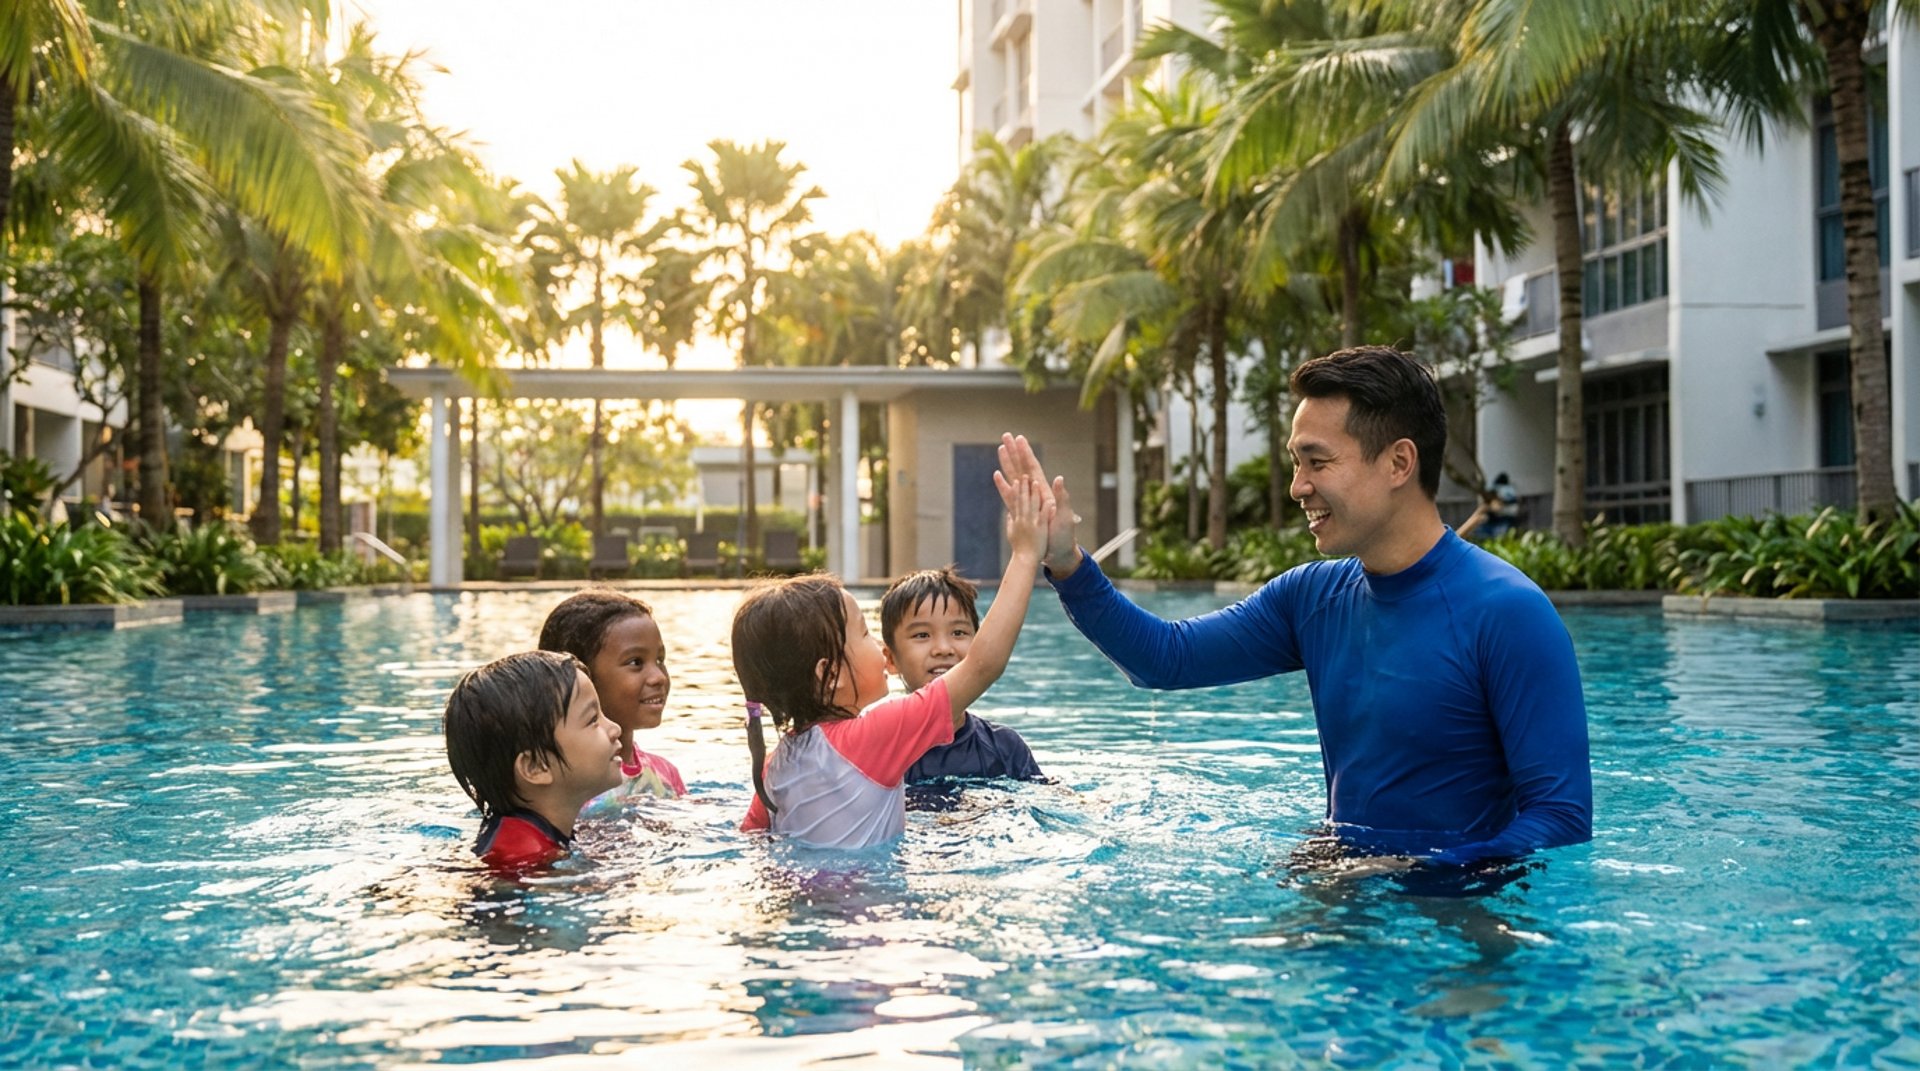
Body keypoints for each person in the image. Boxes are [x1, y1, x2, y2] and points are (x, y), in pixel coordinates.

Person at [999, 345, 1591, 868]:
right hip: (1347, 884)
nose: (1296, 486)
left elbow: (1561, 820)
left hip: (1469, 921)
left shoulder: (1508, 612)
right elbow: (1164, 658)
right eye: (1295, 462)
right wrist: (1068, 562)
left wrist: (1412, 868)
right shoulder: (1313, 597)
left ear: (1399, 463)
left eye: (1317, 461)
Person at [734, 474, 1053, 849]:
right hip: (866, 902)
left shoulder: (773, 765)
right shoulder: (875, 736)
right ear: (830, 674)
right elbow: (984, 664)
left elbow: (754, 841)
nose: (878, 649)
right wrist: (1026, 554)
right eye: (864, 634)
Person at [443, 650, 626, 873]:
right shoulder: (521, 860)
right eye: (593, 720)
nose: (616, 729)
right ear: (535, 766)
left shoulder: (537, 836)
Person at [881, 567, 1044, 784]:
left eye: (958, 633)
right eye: (922, 635)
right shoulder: (882, 750)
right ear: (891, 660)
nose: (943, 648)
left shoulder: (1004, 747)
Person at [539, 590, 686, 804]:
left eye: (660, 659)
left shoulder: (666, 776)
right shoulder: (567, 789)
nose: (659, 677)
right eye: (636, 662)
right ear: (581, 675)